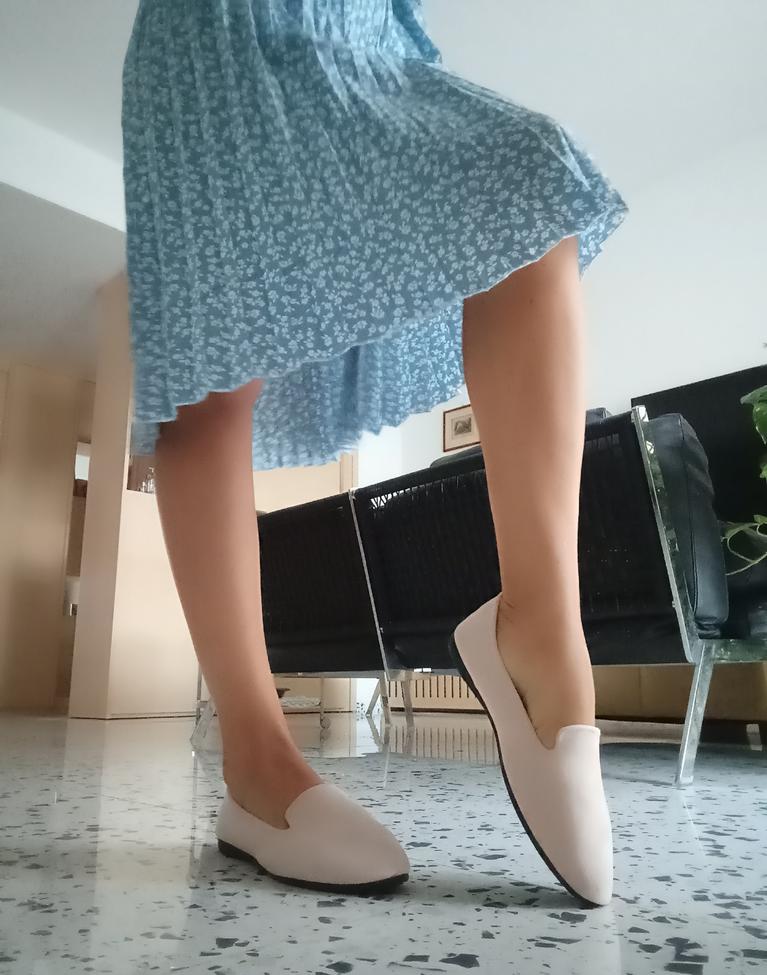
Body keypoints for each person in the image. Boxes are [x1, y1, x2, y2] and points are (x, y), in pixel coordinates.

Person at [122, 0, 627, 905]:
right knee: (209, 370)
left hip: (368, 29)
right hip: (217, 25)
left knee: (529, 182)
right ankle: (255, 763)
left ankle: (542, 630)